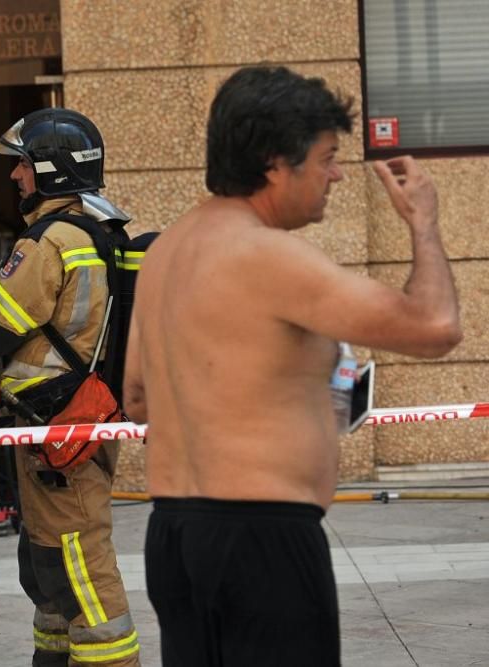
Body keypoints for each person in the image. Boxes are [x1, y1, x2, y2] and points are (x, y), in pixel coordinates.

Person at [123, 65, 462, 666]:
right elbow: (435, 328)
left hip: (174, 534)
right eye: (327, 157)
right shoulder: (269, 256)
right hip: (261, 537)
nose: (335, 175)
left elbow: (139, 398)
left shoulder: (166, 251)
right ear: (277, 163)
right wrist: (424, 225)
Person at [0, 108, 141, 667]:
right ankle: (54, 658)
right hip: (78, 419)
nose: (15, 176)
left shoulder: (50, 240)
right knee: (51, 560)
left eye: (23, 165)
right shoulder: (102, 230)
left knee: (79, 563)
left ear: (53, 171)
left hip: (54, 426)